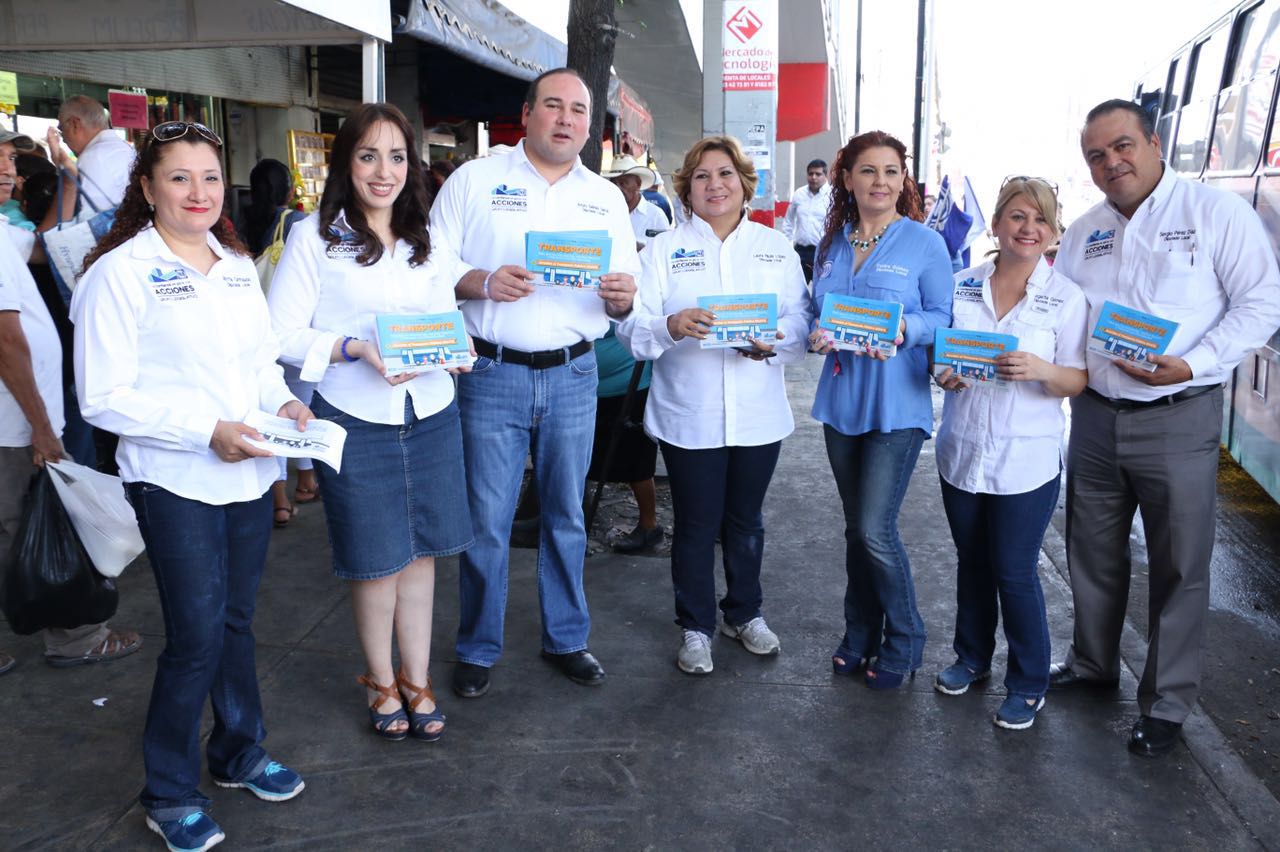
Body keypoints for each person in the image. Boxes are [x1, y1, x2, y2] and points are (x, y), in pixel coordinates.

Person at [73, 120, 309, 851]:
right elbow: (101, 397)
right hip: (174, 481)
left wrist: (287, 405)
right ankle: (169, 791)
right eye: (179, 177)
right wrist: (205, 429)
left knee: (235, 623)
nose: (198, 192)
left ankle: (238, 751)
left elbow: (262, 364)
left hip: (247, 476)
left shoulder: (234, 263)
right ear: (147, 188)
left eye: (210, 177)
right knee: (197, 636)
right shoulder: (118, 274)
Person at [1048, 99, 1280, 758]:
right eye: (1095, 155)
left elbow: (1262, 301)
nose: (1110, 163)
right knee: (1090, 549)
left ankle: (1168, 702)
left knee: (1180, 564)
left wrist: (1193, 363)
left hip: (1179, 414)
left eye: (1122, 146)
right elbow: (1057, 314)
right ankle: (1093, 664)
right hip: (1094, 415)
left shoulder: (1215, 214)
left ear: (1154, 142)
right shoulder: (1085, 231)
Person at [429, 68, 640, 698]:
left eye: (579, 109)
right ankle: (477, 647)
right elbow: (431, 265)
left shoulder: (603, 198)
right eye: (554, 105)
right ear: (529, 112)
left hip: (574, 373)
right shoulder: (475, 180)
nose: (567, 118)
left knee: (566, 517)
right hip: (492, 372)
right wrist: (481, 282)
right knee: (487, 519)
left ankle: (567, 638)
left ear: (589, 124)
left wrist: (625, 297)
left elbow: (627, 295)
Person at [270, 103, 473, 742]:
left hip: (433, 412)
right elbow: (279, 334)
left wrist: (457, 353)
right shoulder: (314, 237)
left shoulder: (429, 241)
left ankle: (418, 681)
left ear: (411, 165)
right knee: (376, 560)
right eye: (367, 156)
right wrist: (354, 348)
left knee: (422, 558)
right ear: (345, 162)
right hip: (355, 418)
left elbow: (446, 321)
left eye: (396, 156)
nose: (383, 171)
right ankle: (382, 682)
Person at [618, 135, 811, 674]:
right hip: (689, 414)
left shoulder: (774, 247)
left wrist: (772, 338)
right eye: (702, 176)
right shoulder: (660, 251)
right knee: (698, 525)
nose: (714, 185)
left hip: (757, 413)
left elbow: (801, 320)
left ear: (744, 182)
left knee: (746, 521)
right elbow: (632, 330)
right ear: (687, 188)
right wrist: (670, 326)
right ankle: (696, 626)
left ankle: (744, 613)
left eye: (724, 174)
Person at [931, 177, 1088, 730]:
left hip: (1026, 460)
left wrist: (1041, 370)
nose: (1029, 228)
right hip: (962, 450)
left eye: (1040, 220)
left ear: (1053, 232)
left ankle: (1027, 681)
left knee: (1015, 571)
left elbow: (1076, 378)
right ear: (996, 224)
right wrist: (943, 374)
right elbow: (940, 354)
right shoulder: (962, 285)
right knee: (972, 564)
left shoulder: (1067, 297)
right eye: (1018, 217)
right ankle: (971, 659)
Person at [807, 130, 953, 690]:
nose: (881, 182)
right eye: (868, 171)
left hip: (896, 406)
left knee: (874, 529)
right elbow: (816, 308)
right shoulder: (832, 245)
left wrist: (903, 328)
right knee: (854, 530)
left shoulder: (923, 243)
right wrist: (818, 333)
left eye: (892, 172)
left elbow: (944, 316)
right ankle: (859, 634)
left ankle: (905, 639)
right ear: (847, 179)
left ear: (904, 180)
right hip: (842, 402)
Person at [0, 128, 138, 669]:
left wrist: (71, 176)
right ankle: (77, 637)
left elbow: (47, 239)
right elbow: (7, 341)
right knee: (36, 528)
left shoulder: (4, 232)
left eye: (9, 158)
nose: (7, 168)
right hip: (14, 424)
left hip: (17, 421)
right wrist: (41, 426)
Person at [588, 159, 666, 554]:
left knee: (635, 453)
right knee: (583, 451)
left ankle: (649, 524)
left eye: (630, 183)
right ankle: (574, 518)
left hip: (627, 364)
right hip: (585, 363)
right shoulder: (590, 222)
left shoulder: (655, 220)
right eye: (617, 182)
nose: (624, 188)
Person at [238, 158, 313, 527]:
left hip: (256, 326)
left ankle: (279, 499)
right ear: (288, 189)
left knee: (271, 415)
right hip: (291, 329)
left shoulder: (240, 221)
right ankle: (307, 482)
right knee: (298, 410)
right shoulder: (298, 223)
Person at [51, 95, 134, 211]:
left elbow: (83, 220)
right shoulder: (125, 149)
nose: (63, 138)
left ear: (75, 124)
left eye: (62, 129)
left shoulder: (92, 159)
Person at [782, 159, 832, 284]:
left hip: (822, 252)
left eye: (818, 174)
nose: (814, 177)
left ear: (825, 176)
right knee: (795, 289)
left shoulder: (833, 196)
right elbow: (789, 220)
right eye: (810, 174)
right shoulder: (799, 194)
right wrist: (788, 244)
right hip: (800, 251)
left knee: (820, 291)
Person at [604, 155, 668, 250]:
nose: (617, 188)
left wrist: (641, 249)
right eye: (614, 183)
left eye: (623, 183)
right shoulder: (605, 212)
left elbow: (665, 250)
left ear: (638, 184)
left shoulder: (656, 216)